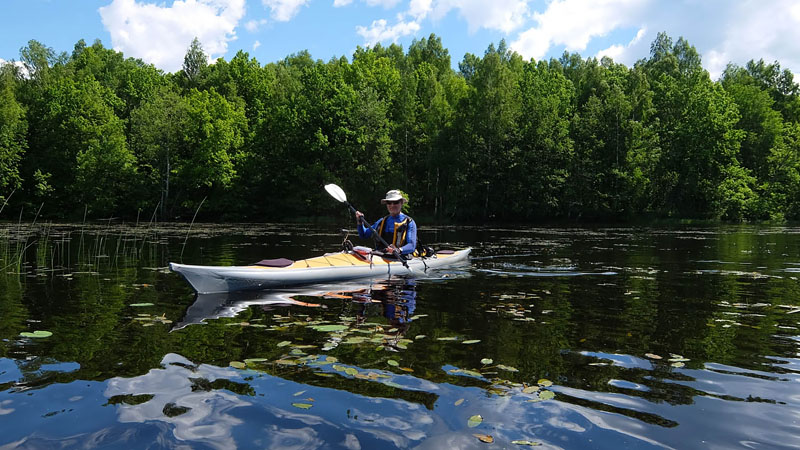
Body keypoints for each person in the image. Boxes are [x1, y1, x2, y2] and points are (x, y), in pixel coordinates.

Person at [355, 189, 417, 256]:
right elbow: (363, 235)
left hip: (399, 257)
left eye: (395, 202)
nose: (392, 205)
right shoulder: (382, 221)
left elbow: (412, 245)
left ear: (401, 203)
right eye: (389, 203)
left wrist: (398, 250)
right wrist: (360, 222)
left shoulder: (409, 222)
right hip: (381, 255)